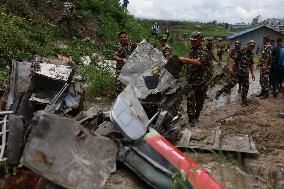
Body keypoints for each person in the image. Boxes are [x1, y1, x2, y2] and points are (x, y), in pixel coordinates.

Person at [178, 31, 211, 125]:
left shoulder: (204, 50)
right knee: (190, 99)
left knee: (200, 100)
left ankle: (197, 115)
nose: (192, 42)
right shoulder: (192, 50)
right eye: (191, 40)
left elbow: (199, 62)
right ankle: (191, 118)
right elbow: (192, 62)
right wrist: (185, 62)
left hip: (201, 80)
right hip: (191, 79)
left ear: (200, 40)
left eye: (194, 41)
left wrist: (184, 59)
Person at [215, 40, 256, 106]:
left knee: (246, 86)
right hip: (238, 72)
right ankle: (220, 91)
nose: (251, 47)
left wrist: (252, 73)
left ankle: (244, 100)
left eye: (253, 46)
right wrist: (230, 68)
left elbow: (251, 64)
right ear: (247, 45)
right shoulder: (241, 51)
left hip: (245, 73)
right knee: (231, 84)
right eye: (250, 45)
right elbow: (232, 59)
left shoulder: (251, 53)